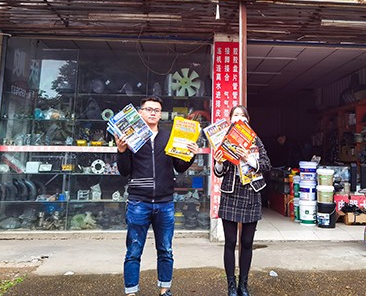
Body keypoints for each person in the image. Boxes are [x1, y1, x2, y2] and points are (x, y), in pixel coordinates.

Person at [116, 96, 199, 296]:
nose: (152, 113)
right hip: (138, 202)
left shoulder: (169, 137)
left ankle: (164, 289)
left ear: (160, 115)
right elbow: (124, 171)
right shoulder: (132, 137)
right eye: (148, 109)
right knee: (133, 250)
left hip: (165, 202)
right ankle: (131, 291)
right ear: (140, 112)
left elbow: (180, 167)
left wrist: (191, 154)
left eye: (156, 110)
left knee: (165, 250)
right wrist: (121, 151)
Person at [213, 105, 272, 296]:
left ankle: (243, 285)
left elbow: (266, 165)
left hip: (251, 193)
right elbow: (219, 172)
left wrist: (249, 158)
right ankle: (231, 285)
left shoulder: (255, 139)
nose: (239, 118)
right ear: (230, 119)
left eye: (242, 115)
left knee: (247, 242)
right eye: (235, 115)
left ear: (248, 119)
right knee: (230, 242)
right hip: (231, 193)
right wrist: (219, 162)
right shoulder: (224, 140)